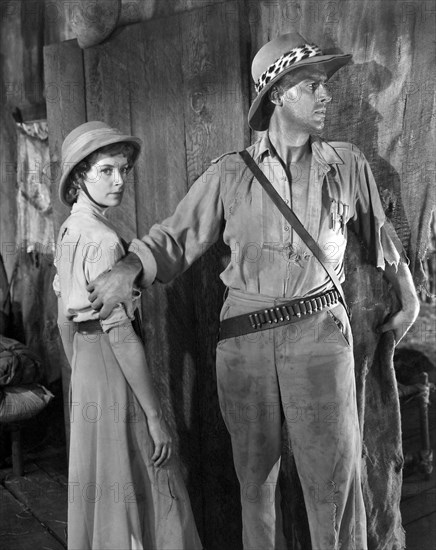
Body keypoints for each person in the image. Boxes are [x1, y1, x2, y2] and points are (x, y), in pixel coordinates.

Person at [86, 34, 420, 550]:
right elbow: (175, 236)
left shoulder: (346, 164)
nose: (326, 95)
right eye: (312, 86)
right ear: (278, 94)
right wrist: (129, 267)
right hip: (244, 346)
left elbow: (381, 235)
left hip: (319, 337)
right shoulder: (231, 174)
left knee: (334, 487)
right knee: (255, 488)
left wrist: (409, 294)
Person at [53, 121, 203, 550]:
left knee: (107, 481)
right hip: (114, 368)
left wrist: (82, 367)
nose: (119, 180)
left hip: (86, 371)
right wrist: (157, 417)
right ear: (80, 176)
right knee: (151, 473)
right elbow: (119, 337)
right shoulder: (102, 240)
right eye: (105, 170)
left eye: (123, 169)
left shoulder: (67, 230)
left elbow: (64, 318)